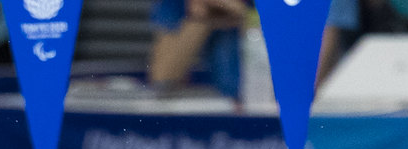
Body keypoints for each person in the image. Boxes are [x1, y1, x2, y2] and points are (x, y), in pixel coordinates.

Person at [148, 0, 358, 99]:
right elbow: (162, 76)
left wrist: (245, 16)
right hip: (224, 125)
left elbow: (303, 88)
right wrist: (201, 16)